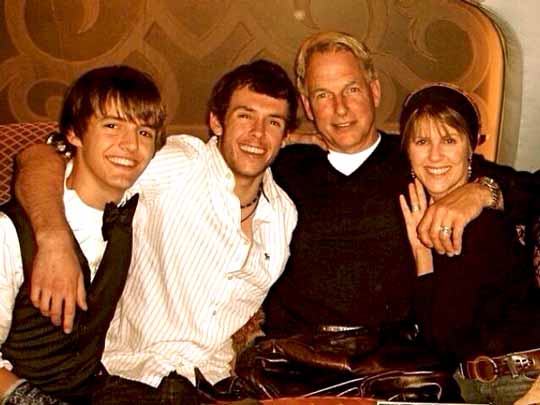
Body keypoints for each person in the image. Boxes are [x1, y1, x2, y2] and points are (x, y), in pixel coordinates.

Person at [14, 60, 298, 403]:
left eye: (273, 122)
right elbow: (42, 156)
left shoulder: (284, 215)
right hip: (132, 377)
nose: (257, 133)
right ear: (216, 121)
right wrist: (53, 239)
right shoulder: (178, 165)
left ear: (287, 136)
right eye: (244, 115)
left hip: (217, 384)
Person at [263, 31, 540, 336]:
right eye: (323, 95)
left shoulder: (419, 159)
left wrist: (480, 192)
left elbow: (531, 189)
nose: (340, 108)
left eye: (351, 89)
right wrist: (277, 137)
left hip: (392, 364)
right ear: (307, 105)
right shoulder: (284, 167)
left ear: (375, 91)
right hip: (296, 359)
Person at [0, 65, 165, 404]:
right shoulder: (10, 232)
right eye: (111, 125)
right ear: (74, 134)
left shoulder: (141, 199)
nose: (130, 145)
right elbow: (35, 155)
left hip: (94, 388)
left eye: (144, 132)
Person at [399, 83, 540, 405]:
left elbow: (444, 341)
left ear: (470, 148)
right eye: (422, 141)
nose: (435, 155)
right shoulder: (416, 209)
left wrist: (423, 260)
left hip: (521, 383)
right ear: (408, 151)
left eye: (449, 140)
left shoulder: (485, 219)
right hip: (471, 387)